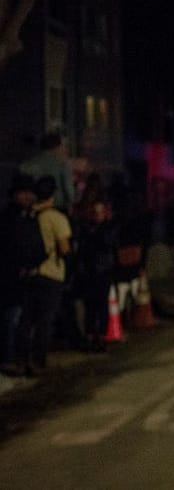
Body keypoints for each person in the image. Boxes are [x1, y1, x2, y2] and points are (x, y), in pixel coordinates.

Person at [14, 175, 72, 375]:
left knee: (27, 318)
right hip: (51, 274)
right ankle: (38, 361)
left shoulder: (28, 215)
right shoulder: (56, 218)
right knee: (44, 320)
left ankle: (20, 359)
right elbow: (64, 249)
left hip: (29, 272)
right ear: (53, 195)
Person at [0, 175, 37, 374]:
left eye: (29, 193)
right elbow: (11, 248)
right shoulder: (9, 219)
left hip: (25, 277)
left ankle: (21, 358)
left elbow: (33, 246)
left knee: (23, 320)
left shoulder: (27, 218)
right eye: (23, 193)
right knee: (11, 319)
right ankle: (8, 358)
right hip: (10, 277)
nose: (27, 197)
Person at [73, 201, 118, 351]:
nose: (97, 216)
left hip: (103, 272)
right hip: (89, 272)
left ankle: (102, 335)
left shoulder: (108, 229)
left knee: (102, 304)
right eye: (94, 212)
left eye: (100, 213)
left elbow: (107, 244)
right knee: (90, 305)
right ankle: (91, 334)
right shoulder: (86, 229)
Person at [18, 132, 75, 213]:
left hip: (32, 210)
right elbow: (69, 192)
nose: (65, 149)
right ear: (58, 147)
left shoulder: (25, 166)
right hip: (57, 209)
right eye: (64, 146)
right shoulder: (62, 165)